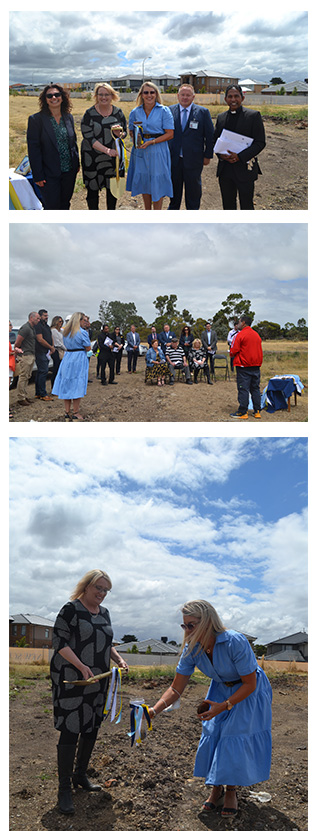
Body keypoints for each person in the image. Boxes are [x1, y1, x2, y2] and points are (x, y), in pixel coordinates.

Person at [148, 600, 272, 818]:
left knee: (233, 735)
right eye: (184, 626)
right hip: (220, 689)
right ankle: (216, 788)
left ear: (207, 622)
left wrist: (225, 706)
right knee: (213, 733)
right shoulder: (192, 648)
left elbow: (250, 684)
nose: (187, 631)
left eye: (192, 625)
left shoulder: (234, 642)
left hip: (247, 690)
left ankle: (231, 790)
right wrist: (153, 711)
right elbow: (176, 688)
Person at [50, 569, 129, 815]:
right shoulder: (70, 610)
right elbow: (59, 643)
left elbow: (107, 643)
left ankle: (80, 776)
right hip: (73, 679)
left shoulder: (104, 613)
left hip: (97, 679)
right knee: (71, 728)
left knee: (91, 727)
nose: (102, 593)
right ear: (86, 586)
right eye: (99, 588)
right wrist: (81, 666)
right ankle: (64, 789)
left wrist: (118, 659)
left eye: (106, 590)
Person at [213, 84, 266, 210]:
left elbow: (260, 142)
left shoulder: (253, 116)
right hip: (225, 170)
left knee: (247, 206)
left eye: (236, 96)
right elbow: (215, 140)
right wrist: (221, 155)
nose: (233, 99)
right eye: (230, 96)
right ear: (225, 99)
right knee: (228, 206)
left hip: (245, 169)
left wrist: (239, 157)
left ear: (242, 98)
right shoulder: (221, 118)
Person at [27, 84, 79, 210]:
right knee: (52, 206)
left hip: (69, 171)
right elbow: (33, 149)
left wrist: (76, 164)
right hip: (48, 173)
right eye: (49, 95)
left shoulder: (68, 117)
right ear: (45, 99)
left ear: (62, 97)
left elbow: (73, 142)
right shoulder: (36, 120)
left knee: (65, 204)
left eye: (57, 94)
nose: (53, 97)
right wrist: (37, 175)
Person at [126, 82, 174, 210]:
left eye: (152, 92)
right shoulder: (135, 112)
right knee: (145, 182)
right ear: (141, 95)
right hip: (141, 152)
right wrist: (136, 138)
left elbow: (170, 134)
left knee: (157, 182)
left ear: (156, 94)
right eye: (146, 92)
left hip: (158, 150)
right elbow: (131, 130)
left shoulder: (164, 111)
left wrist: (152, 142)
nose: (149, 95)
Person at [81, 83, 127, 210]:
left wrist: (120, 134)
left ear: (112, 96)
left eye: (107, 94)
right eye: (100, 94)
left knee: (112, 190)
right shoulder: (89, 114)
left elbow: (124, 133)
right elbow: (88, 137)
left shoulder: (118, 112)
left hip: (113, 159)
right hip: (92, 157)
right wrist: (107, 150)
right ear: (96, 96)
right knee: (92, 191)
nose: (104, 97)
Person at [168, 84, 214, 210]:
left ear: (193, 97)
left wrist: (207, 155)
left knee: (193, 193)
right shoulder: (169, 111)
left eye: (188, 95)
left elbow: (210, 136)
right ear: (177, 96)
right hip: (174, 160)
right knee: (174, 192)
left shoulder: (203, 112)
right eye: (182, 95)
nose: (185, 97)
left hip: (194, 160)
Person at [52, 312, 91, 420]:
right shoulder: (82, 333)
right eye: (84, 320)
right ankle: (76, 412)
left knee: (67, 383)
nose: (86, 322)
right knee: (77, 383)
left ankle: (67, 411)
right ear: (79, 321)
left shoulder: (66, 332)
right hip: (78, 358)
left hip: (68, 357)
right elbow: (88, 348)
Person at [229, 314, 263, 419]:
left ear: (243, 323)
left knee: (243, 389)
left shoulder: (239, 335)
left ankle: (243, 412)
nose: (238, 324)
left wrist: (232, 354)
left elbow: (233, 351)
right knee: (255, 389)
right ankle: (257, 411)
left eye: (239, 322)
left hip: (243, 366)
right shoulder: (256, 335)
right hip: (256, 366)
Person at [13, 311, 40, 407]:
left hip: (31, 354)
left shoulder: (32, 328)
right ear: (31, 318)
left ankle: (24, 395)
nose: (38, 320)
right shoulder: (25, 328)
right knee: (23, 376)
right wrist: (19, 353)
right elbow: (17, 343)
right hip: (25, 355)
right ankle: (21, 397)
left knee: (27, 376)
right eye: (37, 318)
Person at [35, 309, 55, 401]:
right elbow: (40, 339)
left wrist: (52, 346)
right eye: (44, 316)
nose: (46, 317)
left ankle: (38, 393)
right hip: (40, 351)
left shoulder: (46, 326)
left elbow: (50, 337)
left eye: (47, 315)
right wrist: (50, 347)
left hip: (47, 352)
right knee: (43, 372)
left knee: (41, 372)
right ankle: (43, 394)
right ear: (40, 316)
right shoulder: (38, 326)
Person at [50, 315, 66, 387]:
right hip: (57, 350)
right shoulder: (53, 331)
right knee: (56, 369)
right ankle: (54, 386)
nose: (61, 323)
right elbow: (58, 343)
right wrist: (66, 348)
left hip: (61, 350)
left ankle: (59, 385)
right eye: (60, 321)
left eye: (62, 321)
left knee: (60, 369)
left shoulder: (60, 331)